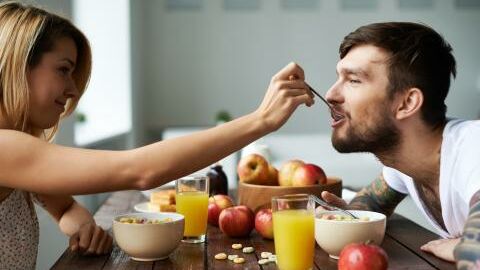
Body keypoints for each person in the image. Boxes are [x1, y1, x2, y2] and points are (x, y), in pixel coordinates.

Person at [0, 2, 314, 269]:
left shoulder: (21, 151)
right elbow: (140, 170)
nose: (72, 90)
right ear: (17, 65)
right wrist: (261, 119)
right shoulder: (5, 149)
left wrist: (83, 227)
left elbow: (65, 208)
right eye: (63, 69)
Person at [319, 22, 480, 268]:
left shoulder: (472, 148)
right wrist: (349, 216)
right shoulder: (404, 160)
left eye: (353, 80)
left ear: (407, 103)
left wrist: (465, 249)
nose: (331, 94)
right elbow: (372, 202)